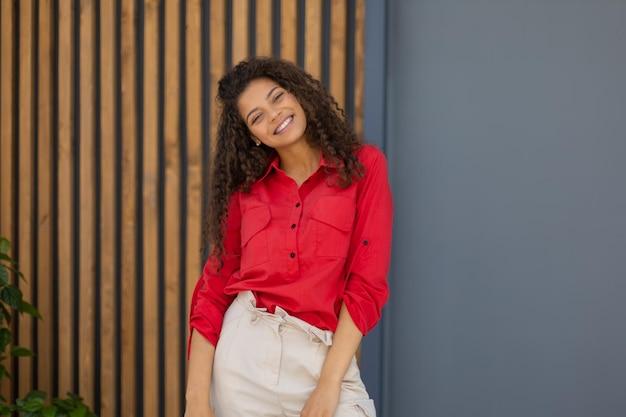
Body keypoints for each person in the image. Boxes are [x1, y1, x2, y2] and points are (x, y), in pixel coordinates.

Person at [185, 56, 393, 417]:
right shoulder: (245, 193)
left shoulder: (364, 167)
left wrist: (329, 385)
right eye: (257, 116)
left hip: (322, 356)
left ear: (296, 94)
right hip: (243, 361)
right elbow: (213, 290)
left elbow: (366, 286)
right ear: (253, 135)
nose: (274, 114)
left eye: (277, 97)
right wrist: (196, 401)